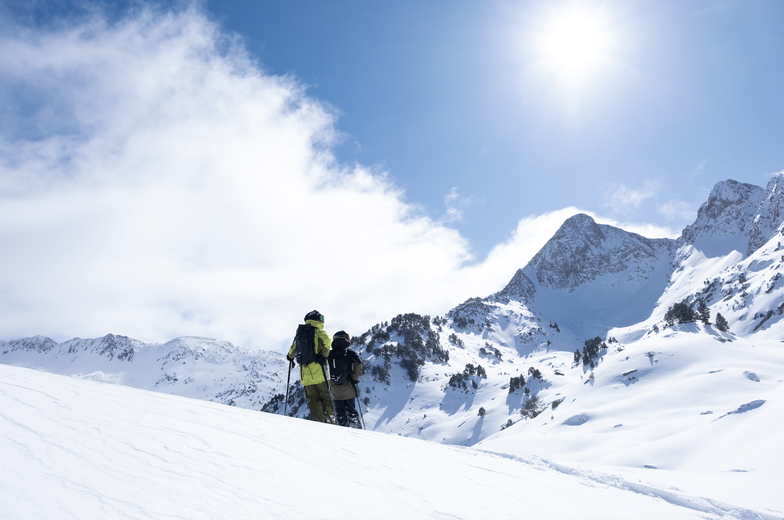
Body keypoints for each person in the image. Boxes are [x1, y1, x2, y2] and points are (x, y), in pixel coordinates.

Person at [287, 310, 335, 424]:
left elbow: (291, 351)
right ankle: (332, 423)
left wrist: (290, 357)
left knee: (313, 401)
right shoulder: (318, 332)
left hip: (305, 376)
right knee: (326, 399)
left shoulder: (300, 333)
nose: (323, 321)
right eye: (321, 318)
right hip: (320, 372)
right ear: (316, 319)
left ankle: (319, 423)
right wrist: (324, 355)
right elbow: (328, 341)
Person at [327, 330, 363, 428]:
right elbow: (358, 364)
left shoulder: (329, 354)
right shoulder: (350, 353)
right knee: (352, 411)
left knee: (340, 413)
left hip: (335, 390)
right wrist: (355, 378)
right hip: (348, 388)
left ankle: (343, 434)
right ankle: (357, 433)